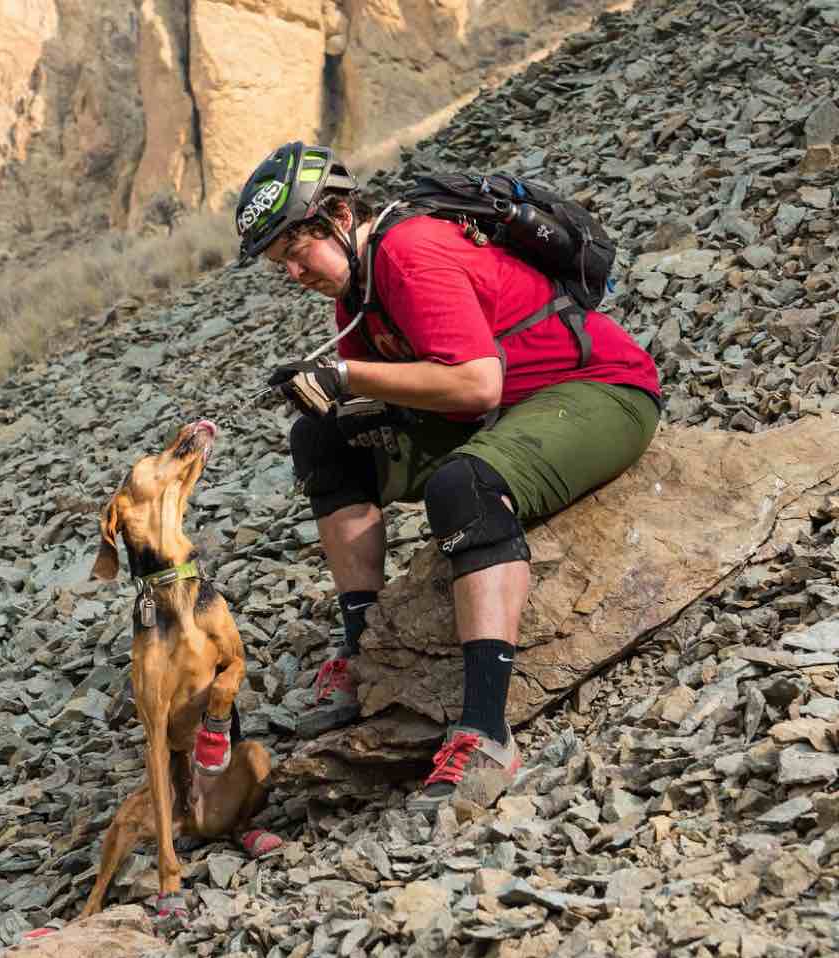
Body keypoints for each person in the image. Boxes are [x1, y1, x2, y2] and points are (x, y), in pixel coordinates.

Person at [236, 141, 661, 816]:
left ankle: (487, 731)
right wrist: (333, 400)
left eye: (295, 251)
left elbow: (473, 382)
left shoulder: (410, 252)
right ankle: (364, 654)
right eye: (278, 264)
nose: (291, 272)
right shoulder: (360, 290)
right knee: (324, 442)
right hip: (508, 406)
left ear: (338, 216)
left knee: (462, 488)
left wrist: (347, 376)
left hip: (599, 390)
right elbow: (403, 393)